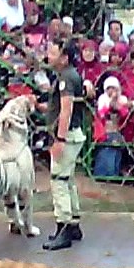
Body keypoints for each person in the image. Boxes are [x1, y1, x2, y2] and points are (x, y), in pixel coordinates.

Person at [41, 39, 87, 251]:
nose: (48, 56)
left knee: (58, 180)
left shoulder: (66, 78)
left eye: (53, 53)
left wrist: (59, 139)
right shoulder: (70, 75)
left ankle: (64, 227)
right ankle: (74, 224)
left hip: (67, 136)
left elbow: (66, 110)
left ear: (64, 57)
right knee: (68, 179)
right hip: (73, 134)